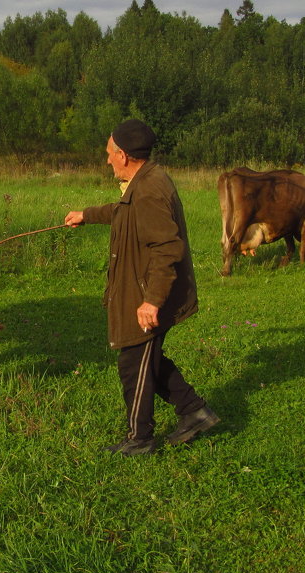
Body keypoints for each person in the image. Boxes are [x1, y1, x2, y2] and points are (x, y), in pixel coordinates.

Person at [64, 119, 219, 455]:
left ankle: (141, 438)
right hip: (142, 287)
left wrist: (151, 302)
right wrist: (86, 214)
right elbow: (123, 212)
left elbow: (167, 249)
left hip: (148, 292)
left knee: (133, 362)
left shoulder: (148, 190)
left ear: (123, 155)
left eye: (109, 154)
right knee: (148, 359)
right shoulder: (146, 180)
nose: (107, 161)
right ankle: (195, 412)